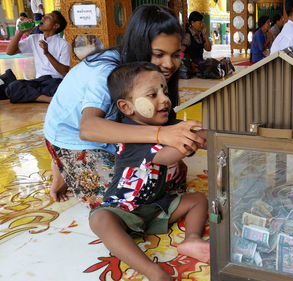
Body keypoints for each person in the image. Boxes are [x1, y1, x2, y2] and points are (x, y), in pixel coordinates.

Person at [43, 5, 205, 209]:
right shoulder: (107, 71)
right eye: (158, 54)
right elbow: (88, 127)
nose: (169, 64)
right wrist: (160, 136)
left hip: (113, 130)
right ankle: (61, 160)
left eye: (175, 55)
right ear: (140, 46)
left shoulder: (152, 73)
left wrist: (172, 152)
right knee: (127, 200)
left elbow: (154, 117)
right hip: (73, 135)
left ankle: (64, 166)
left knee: (170, 183)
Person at [89, 62, 209, 281]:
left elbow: (189, 136)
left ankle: (191, 239)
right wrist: (197, 139)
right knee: (100, 219)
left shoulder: (166, 124)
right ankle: (154, 271)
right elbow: (167, 156)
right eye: (153, 95)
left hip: (156, 206)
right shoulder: (130, 135)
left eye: (164, 90)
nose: (164, 99)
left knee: (199, 199)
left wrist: (209, 135)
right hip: (123, 209)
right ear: (126, 107)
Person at [2, 11, 69, 103]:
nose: (43, 18)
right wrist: (21, 32)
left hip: (54, 81)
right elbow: (10, 52)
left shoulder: (63, 44)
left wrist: (47, 53)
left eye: (48, 17)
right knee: (13, 87)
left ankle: (34, 96)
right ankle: (48, 99)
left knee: (61, 89)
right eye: (44, 16)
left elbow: (64, 72)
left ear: (56, 26)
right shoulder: (34, 38)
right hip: (39, 81)